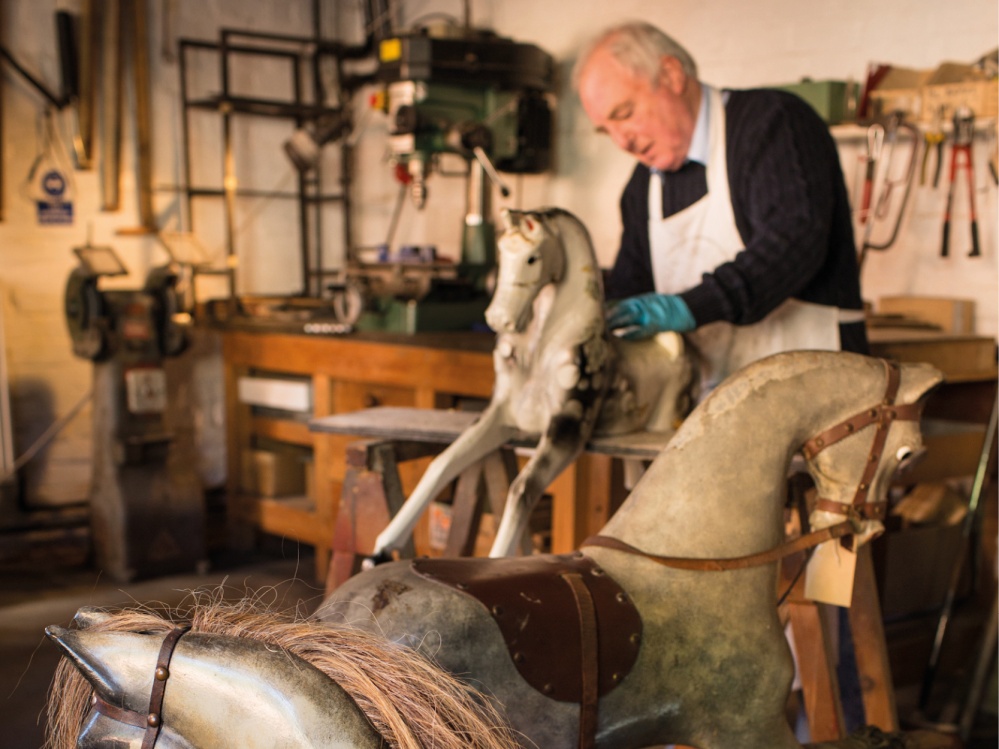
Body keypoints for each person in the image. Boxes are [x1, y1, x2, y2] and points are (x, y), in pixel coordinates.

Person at [573, 21, 868, 394]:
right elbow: (632, 290)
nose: (621, 141)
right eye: (605, 130)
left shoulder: (773, 123)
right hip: (710, 406)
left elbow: (794, 244)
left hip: (819, 397)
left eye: (625, 113)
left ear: (671, 74)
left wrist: (688, 308)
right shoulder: (641, 188)